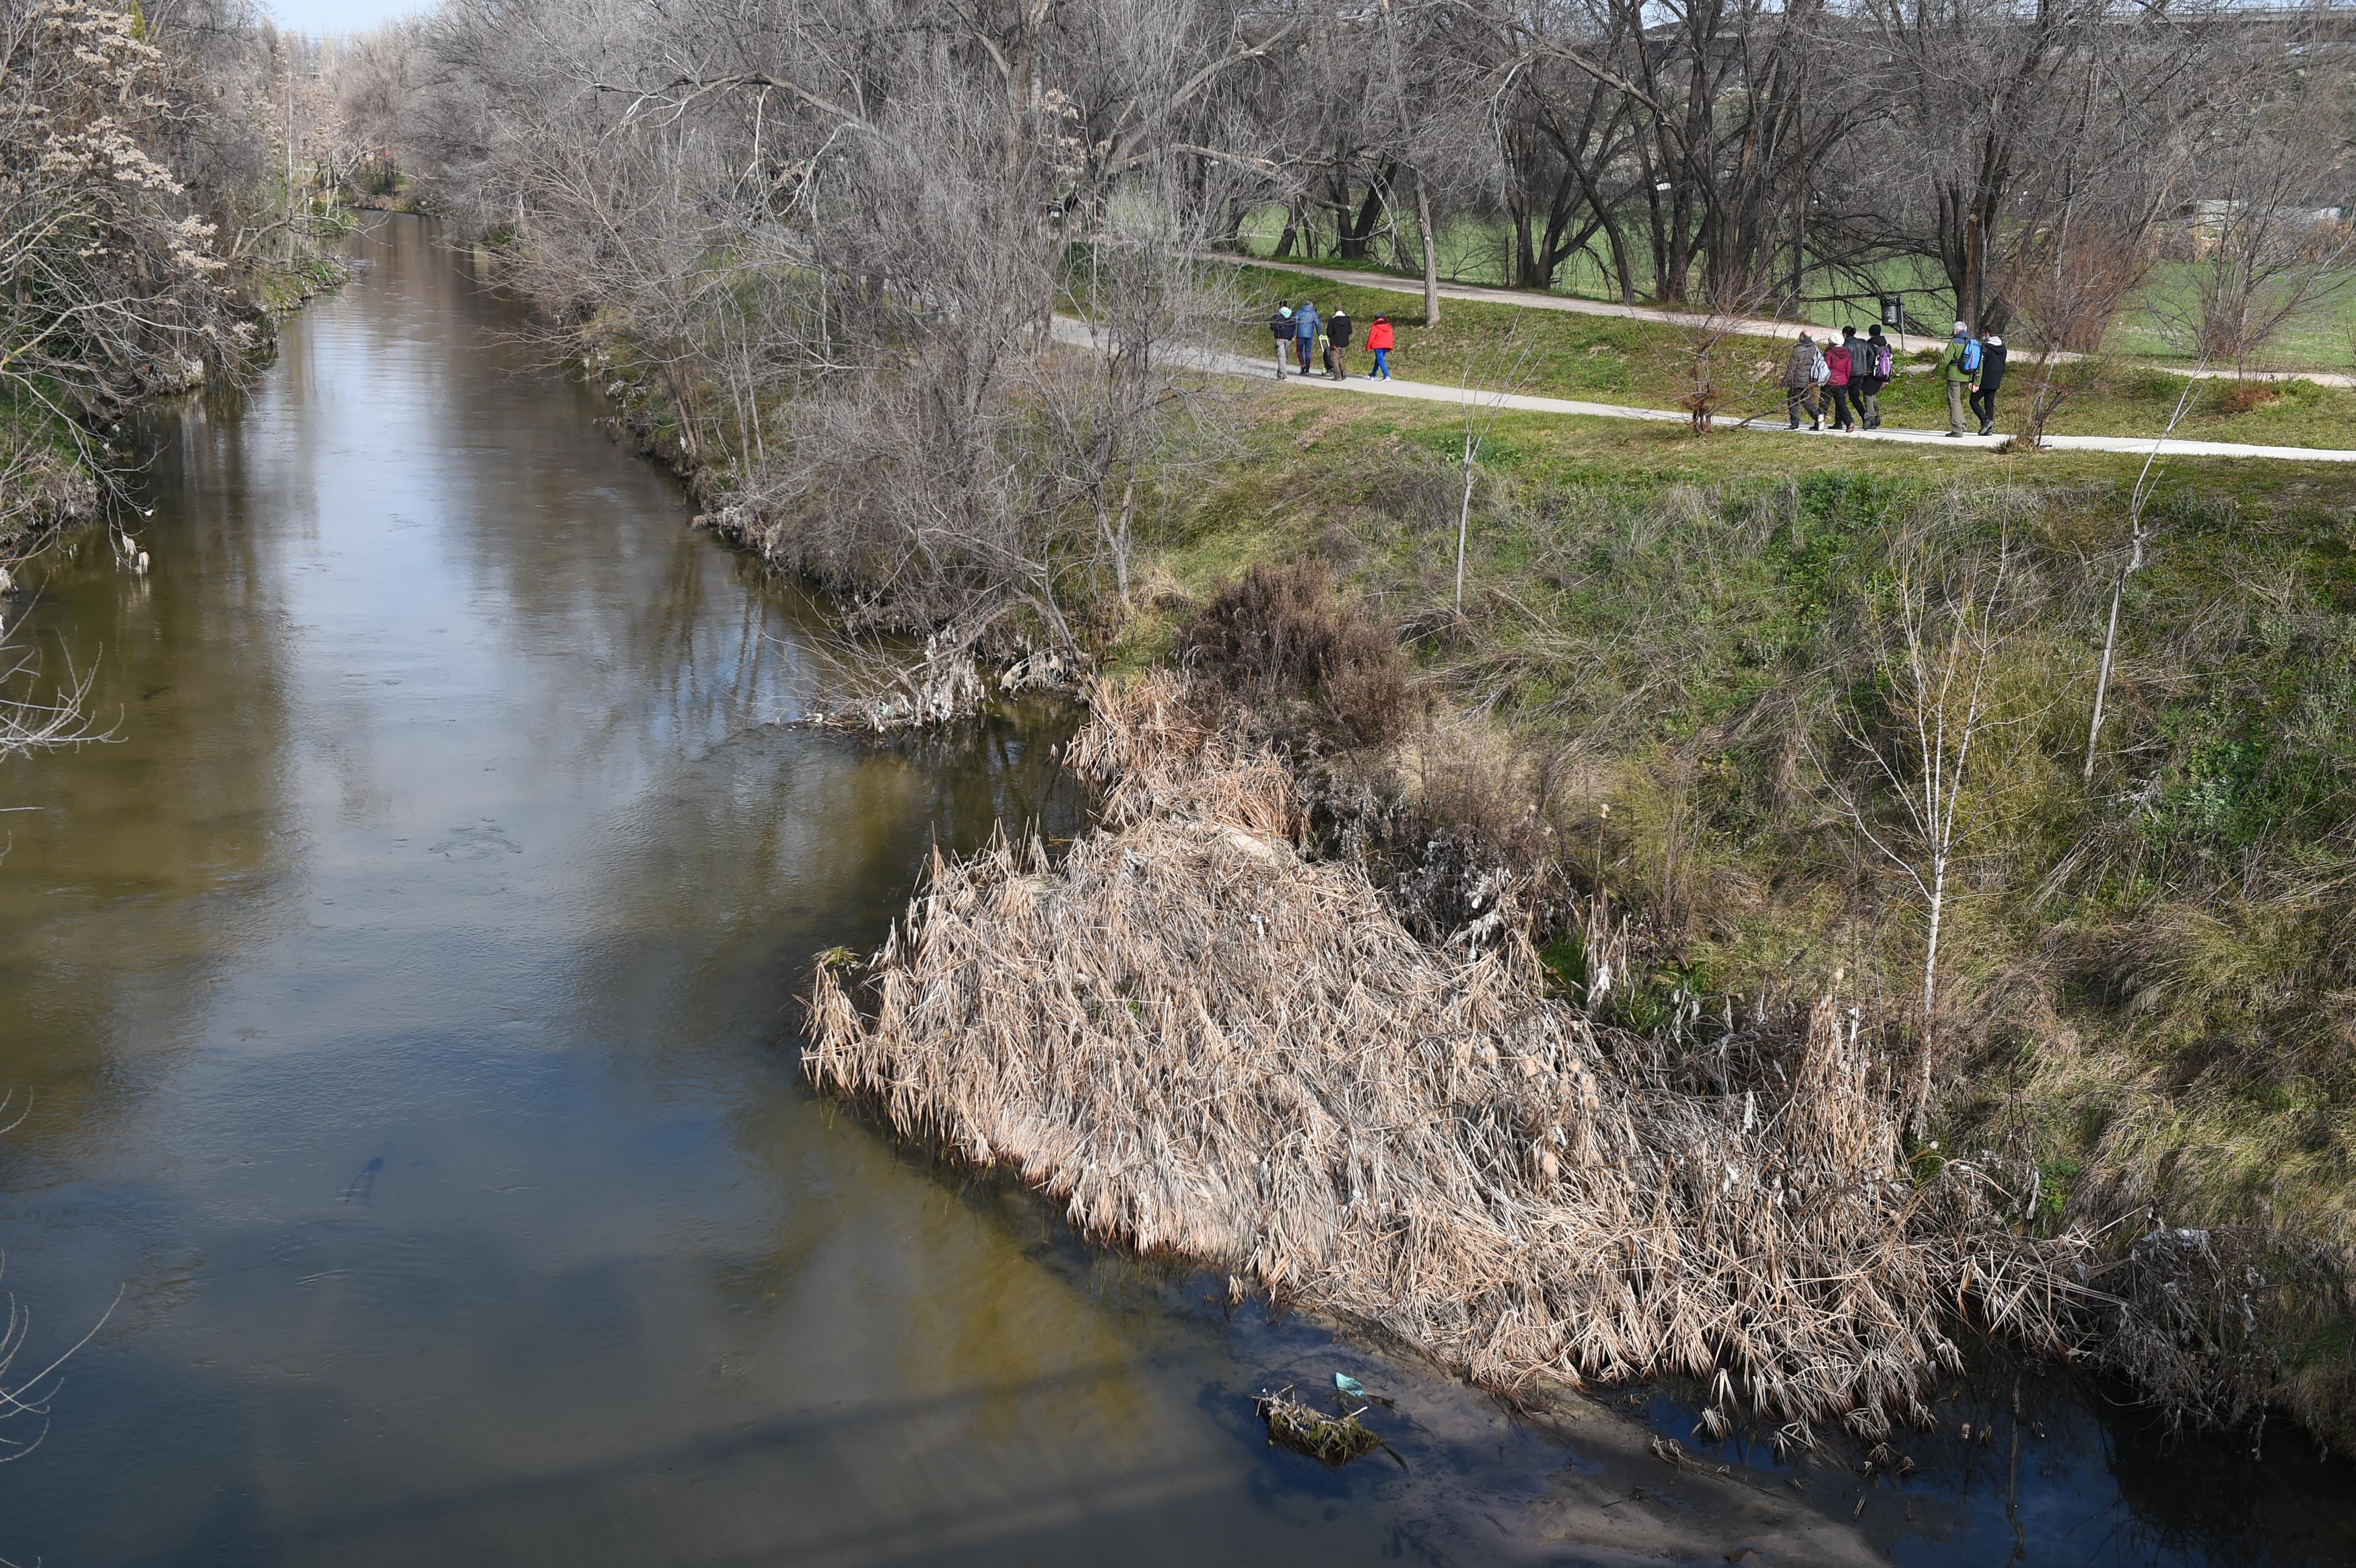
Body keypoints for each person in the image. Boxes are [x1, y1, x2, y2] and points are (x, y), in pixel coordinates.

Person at [1936, 319, 1979, 437]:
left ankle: (1957, 429)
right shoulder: (1973, 342)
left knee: (1954, 401)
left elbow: (1945, 359)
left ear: (1955, 331)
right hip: (1967, 376)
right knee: (1958, 400)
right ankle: (1963, 424)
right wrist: (1976, 380)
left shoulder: (1954, 342)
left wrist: (1936, 373)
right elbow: (1979, 362)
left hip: (1954, 376)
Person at [1782, 332, 1825, 430]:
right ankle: (1818, 416)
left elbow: (1791, 367)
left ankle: (1795, 424)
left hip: (1797, 380)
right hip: (1809, 380)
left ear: (1802, 337)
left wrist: (1785, 381)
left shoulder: (1797, 349)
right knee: (1806, 400)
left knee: (1793, 401)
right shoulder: (1815, 349)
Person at [1855, 324, 1892, 429]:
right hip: (1882, 374)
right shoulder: (1887, 345)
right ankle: (1877, 415)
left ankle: (1872, 418)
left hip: (1871, 373)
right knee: (1873, 394)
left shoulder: (1869, 345)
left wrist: (1865, 371)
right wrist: (1887, 378)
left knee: (1867, 395)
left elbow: (1866, 359)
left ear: (1870, 332)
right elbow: (1890, 362)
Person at [1970, 334, 2007, 435]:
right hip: (1996, 379)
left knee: (1973, 401)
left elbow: (1980, 365)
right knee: (1989, 404)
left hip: (1985, 378)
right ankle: (1988, 429)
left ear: (1987, 334)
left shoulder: (1985, 347)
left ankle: (1985, 420)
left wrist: (1975, 381)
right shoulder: (2003, 348)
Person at [1825, 331, 1858, 433]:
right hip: (1843, 381)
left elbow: (1826, 367)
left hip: (1830, 381)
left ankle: (1819, 423)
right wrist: (1846, 378)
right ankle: (1849, 422)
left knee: (1824, 403)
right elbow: (1849, 368)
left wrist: (1824, 379)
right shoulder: (1847, 353)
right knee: (1841, 403)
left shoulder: (1829, 353)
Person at [1293, 299, 1321, 376]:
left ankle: (1302, 364)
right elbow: (1317, 323)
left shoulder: (1299, 312)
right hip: (1309, 335)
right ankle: (1307, 369)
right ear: (1310, 305)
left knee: (1299, 350)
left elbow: (1294, 323)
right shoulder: (1313, 313)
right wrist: (1319, 333)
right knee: (1308, 351)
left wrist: (1293, 334)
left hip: (1300, 335)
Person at [1326, 306, 1352, 380]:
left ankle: (1337, 375)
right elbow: (1350, 331)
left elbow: (1329, 332)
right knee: (1340, 357)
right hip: (1344, 343)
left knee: (1334, 359)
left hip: (1335, 343)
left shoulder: (1333, 321)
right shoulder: (1347, 320)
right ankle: (1343, 372)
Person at [1366, 313, 1395, 379]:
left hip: (1378, 345)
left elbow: (1371, 337)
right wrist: (1391, 345)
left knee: (1380, 360)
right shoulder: (1388, 326)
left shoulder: (1375, 326)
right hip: (1386, 345)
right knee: (1378, 360)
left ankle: (1386, 375)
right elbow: (1391, 336)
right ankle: (1373, 374)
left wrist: (1368, 347)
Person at [1268, 304, 1293, 379]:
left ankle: (1283, 375)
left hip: (1280, 337)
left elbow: (1273, 327)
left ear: (1280, 307)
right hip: (1288, 338)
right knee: (1284, 356)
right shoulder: (1292, 315)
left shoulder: (1278, 316)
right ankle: (1279, 373)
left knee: (1281, 356)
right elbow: (1294, 326)